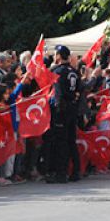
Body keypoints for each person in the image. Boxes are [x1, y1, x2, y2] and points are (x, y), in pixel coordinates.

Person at [46, 45, 81, 183]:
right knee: (71, 141)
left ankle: (61, 173)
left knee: (61, 142)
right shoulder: (74, 71)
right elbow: (79, 91)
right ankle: (76, 171)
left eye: (56, 54)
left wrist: (59, 110)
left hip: (62, 110)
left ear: (59, 56)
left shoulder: (58, 71)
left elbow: (59, 93)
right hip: (72, 109)